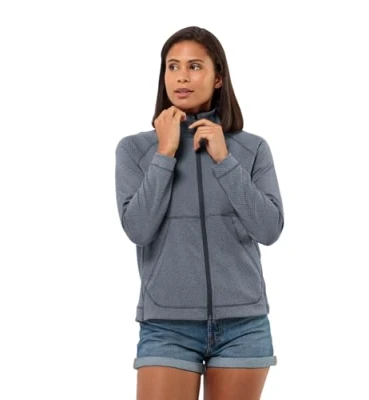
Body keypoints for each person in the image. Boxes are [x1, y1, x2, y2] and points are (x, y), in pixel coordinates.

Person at [115, 26, 284, 400]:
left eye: (194, 66)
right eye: (173, 66)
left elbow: (269, 229)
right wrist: (165, 153)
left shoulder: (252, 149)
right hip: (166, 326)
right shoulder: (135, 151)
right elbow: (138, 229)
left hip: (243, 326)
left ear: (218, 77)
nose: (182, 77)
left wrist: (225, 159)